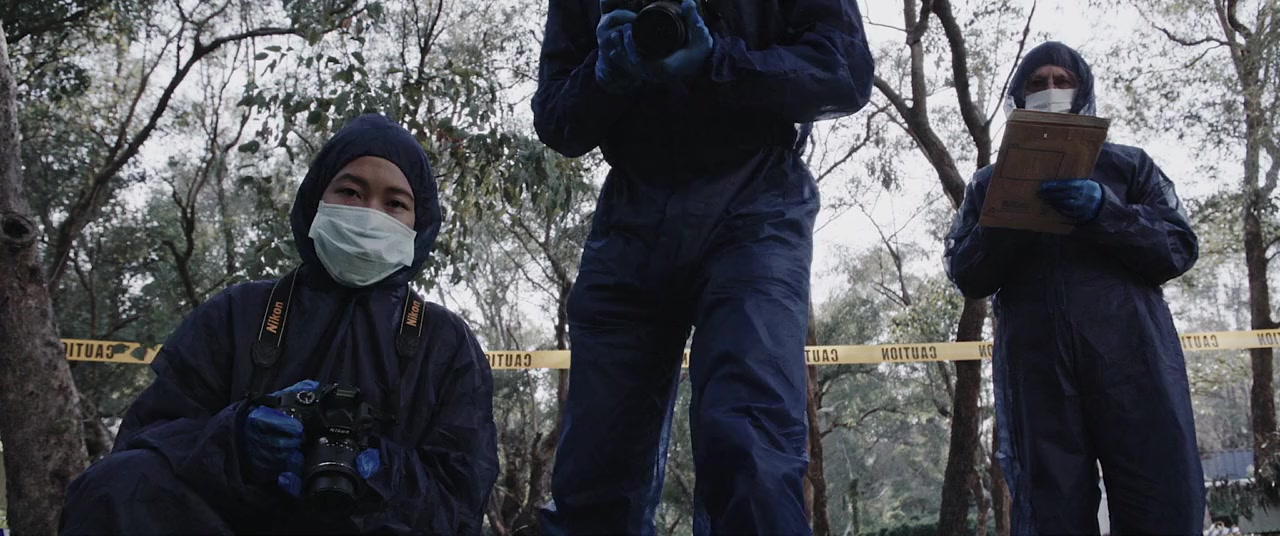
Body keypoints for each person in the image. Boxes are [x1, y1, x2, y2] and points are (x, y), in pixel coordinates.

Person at [59, 114, 499, 534]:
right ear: (315, 200)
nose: (370, 214)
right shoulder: (237, 313)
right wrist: (234, 440)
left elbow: (461, 499)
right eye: (350, 191)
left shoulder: (446, 342)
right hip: (237, 524)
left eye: (395, 203)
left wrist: (381, 473)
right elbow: (147, 437)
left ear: (420, 224)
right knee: (116, 483)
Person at [531, 0, 873, 533]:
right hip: (632, 214)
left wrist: (720, 61)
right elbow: (556, 118)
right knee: (595, 468)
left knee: (751, 445)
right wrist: (602, 76)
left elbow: (845, 69)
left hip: (757, 204)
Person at [944, 41, 1204, 533]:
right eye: (1038, 83)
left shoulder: (1130, 167)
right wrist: (1008, 218)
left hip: (1134, 364)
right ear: (1019, 97)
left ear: (1083, 92)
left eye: (1062, 81)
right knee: (1052, 509)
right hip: (1039, 373)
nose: (1051, 90)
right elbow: (967, 274)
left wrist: (1106, 211)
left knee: (1159, 495)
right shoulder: (988, 184)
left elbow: (1178, 248)